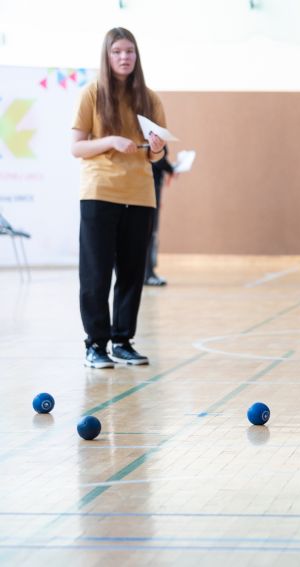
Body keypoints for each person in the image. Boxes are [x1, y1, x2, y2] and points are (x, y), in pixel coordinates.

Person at [71, 27, 168, 368]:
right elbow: (77, 147)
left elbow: (156, 155)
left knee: (131, 272)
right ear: (107, 56)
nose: (124, 57)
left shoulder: (150, 98)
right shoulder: (92, 94)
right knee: (96, 273)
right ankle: (95, 345)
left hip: (140, 195)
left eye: (130, 52)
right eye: (118, 52)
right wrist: (111, 141)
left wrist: (158, 149)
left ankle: (122, 340)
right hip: (100, 193)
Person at [145, 146, 175, 286]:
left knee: (150, 233)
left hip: (153, 185)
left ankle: (148, 273)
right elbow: (156, 157)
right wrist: (171, 169)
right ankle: (148, 274)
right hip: (148, 185)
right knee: (148, 233)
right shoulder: (151, 127)